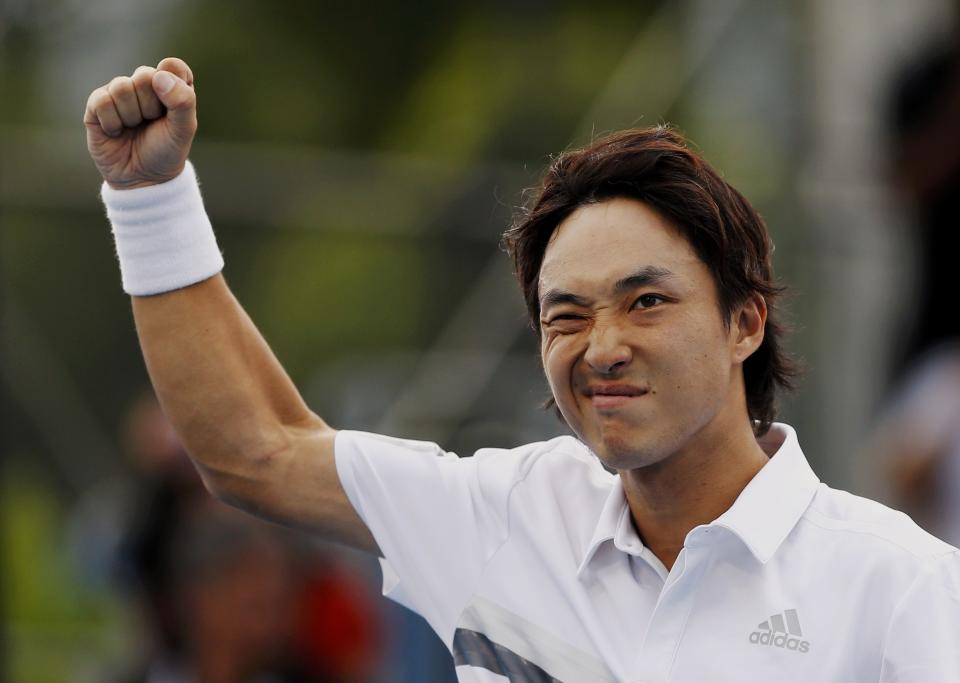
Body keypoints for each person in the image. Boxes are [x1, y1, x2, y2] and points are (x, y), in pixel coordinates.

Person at [85, 58, 960, 682]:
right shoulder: (508, 514)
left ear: (745, 321)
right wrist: (151, 200)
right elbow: (256, 449)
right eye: (565, 316)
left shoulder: (904, 588)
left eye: (646, 301)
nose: (603, 344)